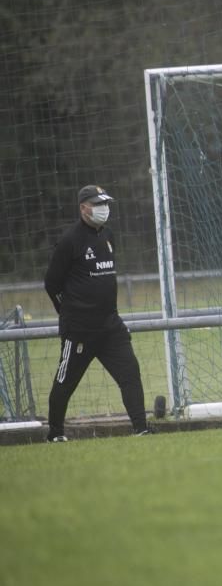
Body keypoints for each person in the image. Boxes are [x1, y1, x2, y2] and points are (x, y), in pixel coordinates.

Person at [43, 185, 149, 441]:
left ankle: (141, 429)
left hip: (110, 326)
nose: (104, 209)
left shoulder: (109, 235)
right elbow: (51, 283)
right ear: (83, 208)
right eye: (98, 204)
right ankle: (55, 434)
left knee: (130, 373)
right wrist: (68, 312)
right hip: (79, 329)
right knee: (65, 381)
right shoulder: (69, 240)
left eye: (106, 203)